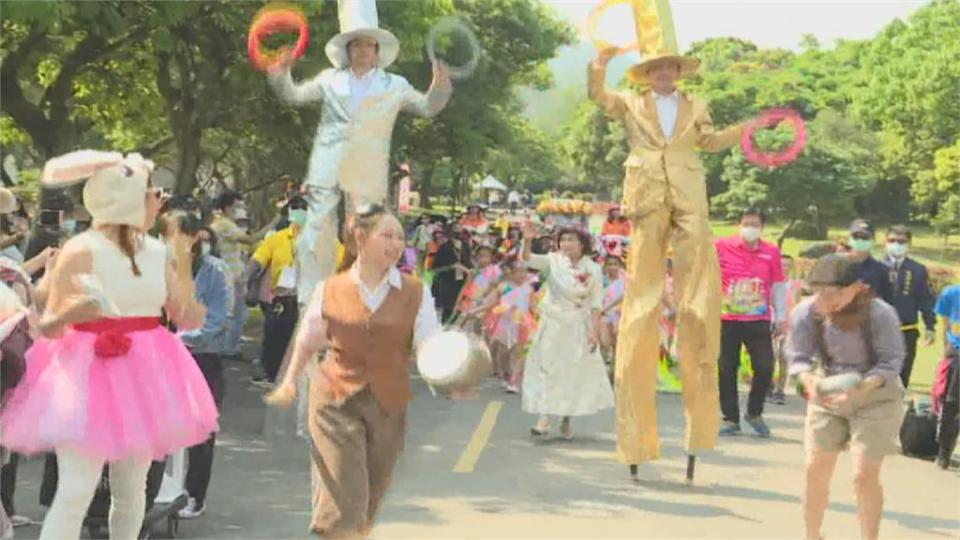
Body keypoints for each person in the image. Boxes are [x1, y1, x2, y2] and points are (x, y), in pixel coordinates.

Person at [0, 150, 218, 540]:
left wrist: (182, 260)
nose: (160, 201)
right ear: (125, 197)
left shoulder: (156, 251)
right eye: (153, 192)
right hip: (84, 374)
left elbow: (187, 316)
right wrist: (74, 312)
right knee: (75, 490)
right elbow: (46, 325)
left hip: (145, 374)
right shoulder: (81, 249)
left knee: (134, 490)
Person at [590, 38, 755, 465]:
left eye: (671, 69)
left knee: (698, 296)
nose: (665, 74)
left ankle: (700, 426)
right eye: (658, 69)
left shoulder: (696, 105)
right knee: (642, 298)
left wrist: (745, 130)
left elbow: (713, 142)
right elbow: (600, 97)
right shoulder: (630, 102)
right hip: (646, 196)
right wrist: (600, 64)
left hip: (688, 194)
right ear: (647, 74)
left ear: (679, 73)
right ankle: (635, 438)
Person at [264, 204, 442, 539]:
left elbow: (428, 342)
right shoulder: (331, 288)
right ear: (360, 237)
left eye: (400, 237)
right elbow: (309, 340)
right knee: (345, 501)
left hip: (388, 404)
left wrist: (448, 375)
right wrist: (289, 382)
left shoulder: (415, 291)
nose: (395, 244)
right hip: (335, 400)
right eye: (386, 235)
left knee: (368, 501)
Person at [267, 0, 452, 309]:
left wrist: (439, 89)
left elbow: (425, 107)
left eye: (369, 45)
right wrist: (281, 73)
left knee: (368, 231)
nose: (363, 50)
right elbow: (294, 95)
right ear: (348, 49)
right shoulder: (330, 80)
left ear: (377, 50)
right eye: (357, 45)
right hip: (327, 165)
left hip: (367, 169)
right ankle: (312, 302)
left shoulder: (394, 85)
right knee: (315, 233)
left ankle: (368, 296)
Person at [786, 255, 905, 540]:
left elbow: (892, 361)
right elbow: (798, 359)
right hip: (827, 390)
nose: (827, 301)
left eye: (835, 293)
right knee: (815, 468)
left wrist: (863, 388)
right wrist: (808, 382)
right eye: (820, 293)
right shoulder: (806, 313)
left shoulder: (880, 314)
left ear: (856, 287)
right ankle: (812, 535)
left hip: (876, 394)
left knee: (863, 473)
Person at [520, 221, 614, 439]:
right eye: (563, 239)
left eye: (571, 239)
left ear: (582, 244)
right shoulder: (553, 261)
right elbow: (528, 259)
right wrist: (526, 240)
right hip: (552, 322)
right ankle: (544, 419)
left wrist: (594, 331)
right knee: (548, 368)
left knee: (572, 372)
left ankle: (566, 420)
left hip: (578, 325)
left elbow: (596, 303)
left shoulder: (593, 269)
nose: (566, 244)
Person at [175, 218, 232, 519]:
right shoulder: (164, 266)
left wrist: (178, 338)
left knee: (201, 431)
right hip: (167, 358)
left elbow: (217, 321)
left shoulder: (216, 272)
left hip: (203, 358)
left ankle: (195, 494)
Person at [715, 208, 787, 437]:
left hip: (758, 318)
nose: (750, 228)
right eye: (746, 224)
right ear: (739, 225)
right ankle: (730, 417)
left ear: (762, 228)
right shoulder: (721, 247)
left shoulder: (771, 252)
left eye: (755, 225)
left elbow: (777, 285)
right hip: (728, 318)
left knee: (765, 366)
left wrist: (782, 318)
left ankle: (754, 411)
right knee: (727, 368)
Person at [246, 196, 307, 385]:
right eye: (295, 209)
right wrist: (245, 279)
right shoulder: (277, 239)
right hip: (280, 296)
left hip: (306, 296)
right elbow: (258, 260)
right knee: (275, 334)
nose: (299, 213)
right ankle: (270, 371)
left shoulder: (321, 240)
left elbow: (339, 260)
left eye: (303, 209)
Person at [210, 192, 277, 363]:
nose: (240, 209)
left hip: (231, 274)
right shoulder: (224, 224)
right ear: (226, 207)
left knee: (235, 313)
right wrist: (273, 224)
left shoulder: (225, 224)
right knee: (236, 314)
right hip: (232, 276)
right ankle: (229, 350)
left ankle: (226, 347)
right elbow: (250, 239)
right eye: (237, 206)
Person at [881, 224, 937, 387]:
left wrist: (930, 326)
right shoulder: (877, 267)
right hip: (879, 330)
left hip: (907, 330)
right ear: (885, 242)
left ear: (909, 244)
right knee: (879, 376)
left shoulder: (918, 270)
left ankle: (898, 408)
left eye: (901, 241)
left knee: (902, 377)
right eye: (892, 240)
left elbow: (925, 299)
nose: (896, 245)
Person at [769, 254, 804, 405]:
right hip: (770, 321)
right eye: (782, 265)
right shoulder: (770, 283)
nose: (785, 268)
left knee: (784, 356)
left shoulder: (794, 285)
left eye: (788, 265)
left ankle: (780, 389)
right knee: (770, 356)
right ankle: (768, 385)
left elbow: (796, 304)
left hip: (788, 324)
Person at [933, 284, 960, 470]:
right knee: (951, 404)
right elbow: (945, 323)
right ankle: (944, 452)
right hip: (956, 354)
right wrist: (946, 352)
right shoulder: (951, 293)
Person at [846, 219, 894, 305]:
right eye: (856, 237)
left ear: (873, 240)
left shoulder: (883, 270)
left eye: (865, 237)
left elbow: (889, 302)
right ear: (849, 239)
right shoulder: (836, 266)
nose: (860, 240)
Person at [431, 224, 470, 323]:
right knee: (448, 308)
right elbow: (435, 269)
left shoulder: (465, 246)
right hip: (448, 282)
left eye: (460, 230)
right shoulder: (444, 248)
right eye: (455, 230)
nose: (458, 233)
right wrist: (451, 267)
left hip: (463, 281)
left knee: (460, 307)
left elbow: (469, 262)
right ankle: (445, 328)